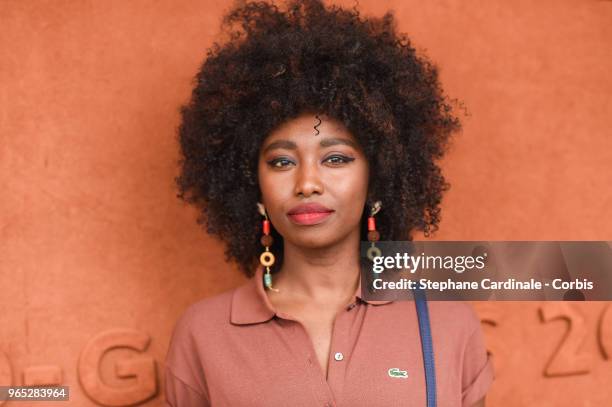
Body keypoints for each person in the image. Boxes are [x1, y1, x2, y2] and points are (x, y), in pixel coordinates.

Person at [164, 0, 494, 406]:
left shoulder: (447, 321)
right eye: (282, 161)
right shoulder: (203, 333)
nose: (307, 183)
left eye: (336, 158)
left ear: (378, 179)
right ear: (253, 186)